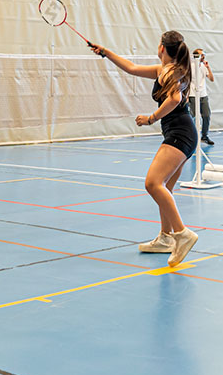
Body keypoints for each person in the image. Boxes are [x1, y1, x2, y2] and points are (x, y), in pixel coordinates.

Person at [92, 32, 200, 267]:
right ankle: (165, 238)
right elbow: (131, 68)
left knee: (152, 184)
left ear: (162, 48)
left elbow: (173, 99)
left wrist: (151, 118)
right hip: (184, 133)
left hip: (179, 134)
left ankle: (182, 234)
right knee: (166, 189)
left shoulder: (170, 72)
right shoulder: (170, 69)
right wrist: (106, 52)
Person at [187, 48, 215, 145]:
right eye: (201, 55)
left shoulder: (204, 66)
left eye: (204, 55)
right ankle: (191, 136)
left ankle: (204, 136)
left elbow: (211, 79)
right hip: (193, 95)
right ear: (196, 56)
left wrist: (208, 67)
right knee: (192, 116)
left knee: (206, 115)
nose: (203, 56)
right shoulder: (190, 67)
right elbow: (186, 82)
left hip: (203, 95)